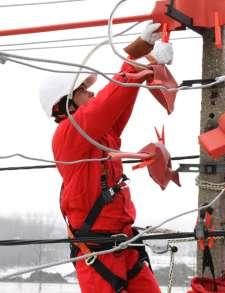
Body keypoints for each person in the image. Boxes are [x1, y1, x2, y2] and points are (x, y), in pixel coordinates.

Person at [39, 23, 172, 293]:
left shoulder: (100, 134)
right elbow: (109, 101)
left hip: (123, 243)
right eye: (85, 90)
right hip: (98, 251)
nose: (92, 93)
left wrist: (141, 50)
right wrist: (150, 62)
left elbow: (118, 100)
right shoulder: (70, 133)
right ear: (68, 102)